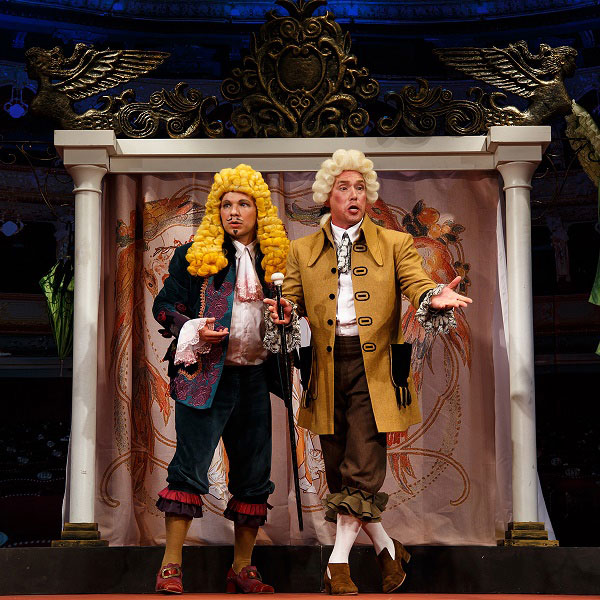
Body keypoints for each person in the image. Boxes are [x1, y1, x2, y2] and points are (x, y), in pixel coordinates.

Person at [265, 149, 472, 595]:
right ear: (327, 196)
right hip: (324, 365)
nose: (353, 194)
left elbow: (416, 283)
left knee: (363, 465)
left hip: (375, 367)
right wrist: (283, 311)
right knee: (339, 468)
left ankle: (336, 563)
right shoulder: (301, 250)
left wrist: (433, 295)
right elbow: (293, 301)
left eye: (360, 187)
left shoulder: (395, 244)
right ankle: (387, 548)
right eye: (344, 187)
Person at [153, 164, 290, 594]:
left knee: (254, 475)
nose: (234, 212)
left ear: (259, 210)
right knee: (188, 470)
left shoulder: (277, 262)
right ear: (217, 210)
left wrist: (289, 320)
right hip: (206, 376)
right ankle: (170, 565)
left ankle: (242, 567)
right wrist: (192, 327)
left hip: (254, 378)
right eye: (226, 204)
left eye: (243, 204)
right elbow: (164, 307)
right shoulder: (194, 256)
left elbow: (294, 318)